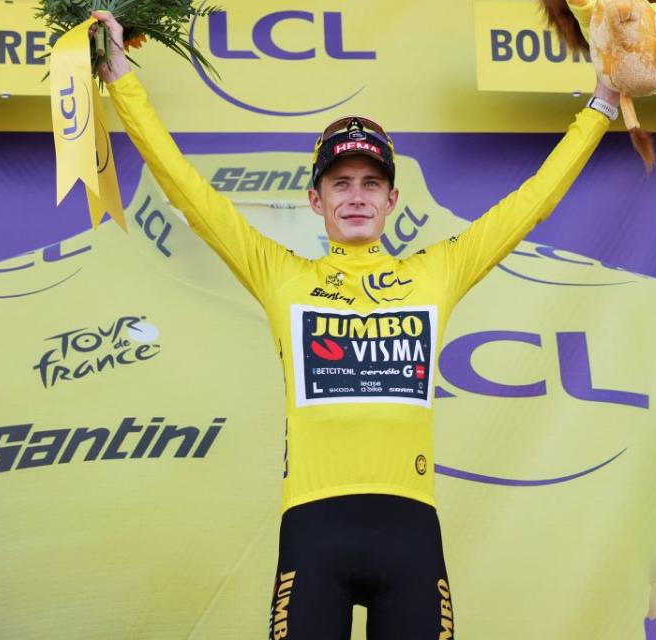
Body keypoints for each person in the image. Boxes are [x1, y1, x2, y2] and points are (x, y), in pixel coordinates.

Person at [91, 10, 619, 638]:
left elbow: (534, 202)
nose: (357, 195)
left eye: (373, 182)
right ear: (315, 201)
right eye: (340, 183)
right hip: (315, 532)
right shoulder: (281, 274)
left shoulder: (438, 271)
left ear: (393, 199)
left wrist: (605, 102)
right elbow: (183, 186)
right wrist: (120, 74)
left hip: (411, 534)